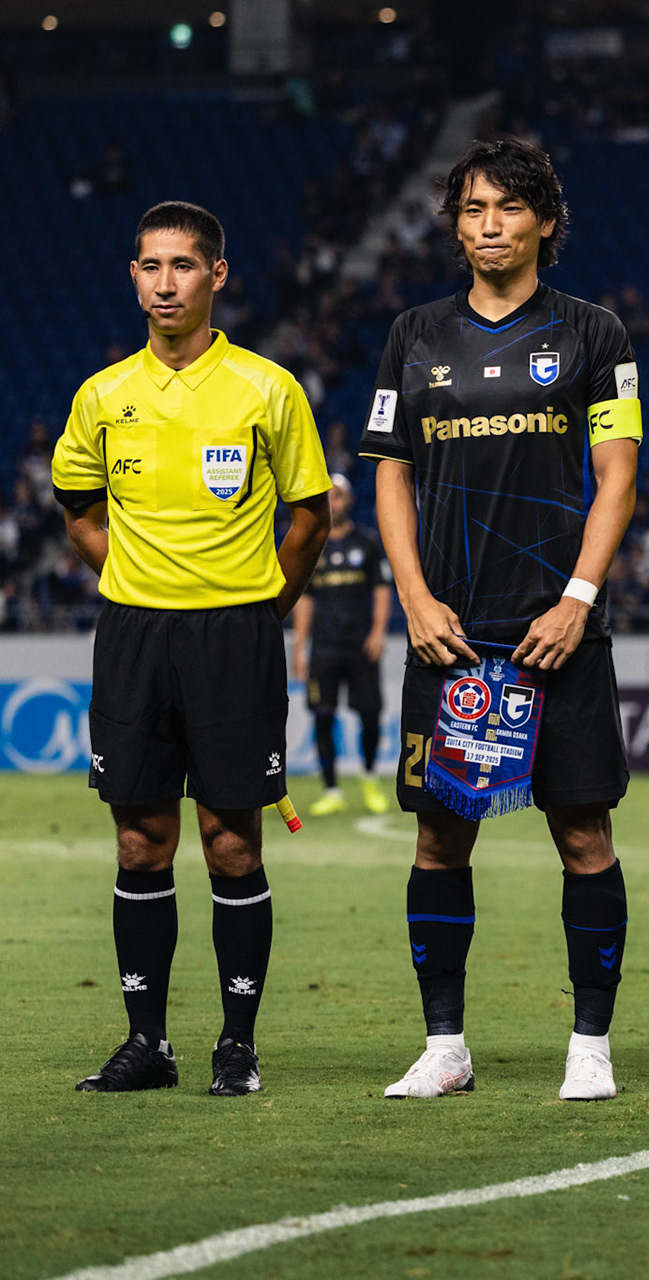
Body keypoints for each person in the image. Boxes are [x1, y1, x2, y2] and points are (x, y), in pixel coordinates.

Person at [360, 138, 643, 1102]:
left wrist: (578, 600)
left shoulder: (596, 335)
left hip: (555, 633)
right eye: (473, 209)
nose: (489, 226)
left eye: (509, 209)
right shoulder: (413, 336)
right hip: (449, 632)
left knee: (583, 838)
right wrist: (411, 596)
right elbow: (390, 476)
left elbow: (618, 480)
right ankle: (446, 1045)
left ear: (545, 222)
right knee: (440, 840)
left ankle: (590, 1046)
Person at [53, 201, 331, 1095]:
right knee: (139, 841)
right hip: (134, 634)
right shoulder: (102, 394)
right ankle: (148, 1045)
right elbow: (80, 512)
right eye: (148, 266)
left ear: (216, 275)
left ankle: (237, 1046)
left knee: (230, 844)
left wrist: (261, 605)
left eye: (181, 266)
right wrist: (134, 577)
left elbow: (310, 515)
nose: (163, 282)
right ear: (133, 276)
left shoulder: (267, 389)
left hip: (234, 636)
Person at [290, 473, 392, 816]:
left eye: (341, 496)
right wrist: (300, 647)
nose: (335, 502)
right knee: (322, 715)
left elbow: (381, 589)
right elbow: (306, 600)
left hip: (360, 646)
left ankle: (369, 777)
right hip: (324, 648)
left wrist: (378, 632)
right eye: (330, 496)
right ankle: (331, 788)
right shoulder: (312, 548)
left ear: (349, 501)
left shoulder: (367, 543)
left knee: (370, 715)